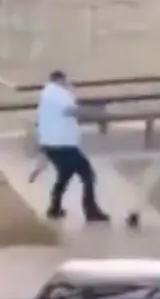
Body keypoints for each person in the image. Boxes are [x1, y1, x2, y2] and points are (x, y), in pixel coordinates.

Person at [36, 70, 109, 222]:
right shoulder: (59, 93)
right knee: (88, 175)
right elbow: (69, 110)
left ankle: (55, 207)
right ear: (61, 80)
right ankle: (90, 210)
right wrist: (91, 112)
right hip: (64, 145)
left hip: (52, 144)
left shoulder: (46, 93)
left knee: (65, 174)